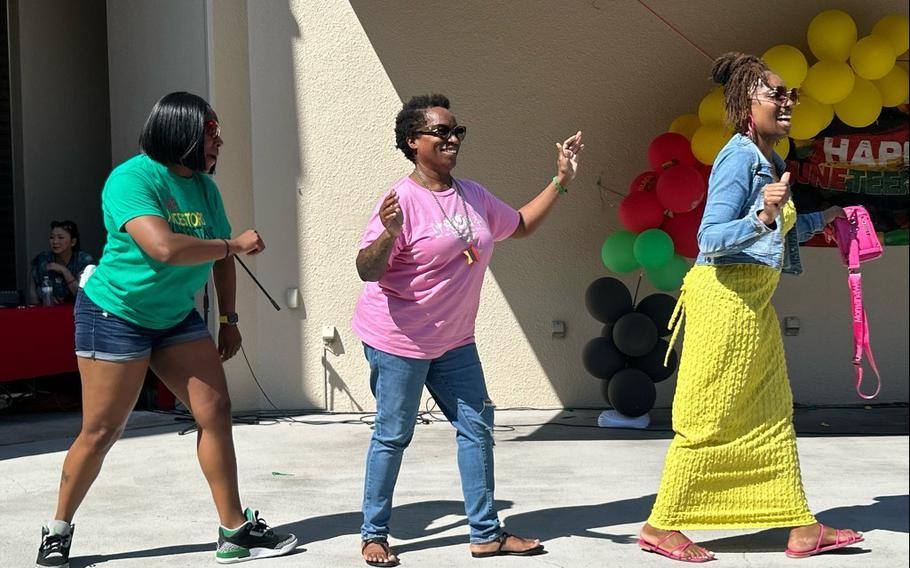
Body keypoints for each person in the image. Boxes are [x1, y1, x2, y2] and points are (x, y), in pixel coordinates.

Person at [35, 92, 297, 568]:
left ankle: (233, 531)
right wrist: (233, 243)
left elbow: (223, 258)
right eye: (211, 131)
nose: (219, 141)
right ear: (181, 132)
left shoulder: (204, 188)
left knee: (215, 410)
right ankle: (58, 529)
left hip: (174, 316)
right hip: (115, 315)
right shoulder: (131, 179)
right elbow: (163, 248)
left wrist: (228, 319)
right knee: (101, 430)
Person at [637, 52, 862, 562]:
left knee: (771, 415)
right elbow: (710, 237)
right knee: (709, 417)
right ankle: (660, 524)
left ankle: (801, 526)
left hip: (752, 309)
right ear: (745, 106)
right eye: (776, 95)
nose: (787, 103)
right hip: (724, 305)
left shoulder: (771, 159)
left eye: (791, 96)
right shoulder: (738, 157)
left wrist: (824, 218)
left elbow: (775, 232)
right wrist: (763, 213)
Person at [352, 93, 582, 567]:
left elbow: (518, 225)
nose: (452, 138)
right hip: (399, 341)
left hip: (454, 340)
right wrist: (390, 233)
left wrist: (560, 181)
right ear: (413, 141)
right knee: (394, 434)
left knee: (476, 428)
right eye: (441, 131)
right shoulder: (401, 201)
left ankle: (485, 533)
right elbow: (366, 270)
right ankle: (374, 533)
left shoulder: (472, 194)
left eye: (458, 131)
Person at [29, 220, 96, 305]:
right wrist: (46, 298)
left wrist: (65, 271)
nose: (55, 241)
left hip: (78, 313)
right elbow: (32, 293)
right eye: (52, 237)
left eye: (60, 237)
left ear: (73, 242)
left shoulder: (83, 260)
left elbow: (84, 296)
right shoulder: (43, 259)